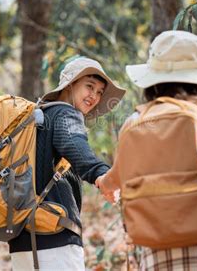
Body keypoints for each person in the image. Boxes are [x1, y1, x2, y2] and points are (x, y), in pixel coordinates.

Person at [96, 30, 197, 270]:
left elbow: (116, 179)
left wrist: (103, 182)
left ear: (152, 79)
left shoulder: (134, 123)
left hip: (160, 253)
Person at [9, 56, 126, 270]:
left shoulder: (38, 117)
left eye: (100, 92)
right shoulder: (65, 113)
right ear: (71, 84)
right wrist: (101, 175)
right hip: (55, 235)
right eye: (89, 86)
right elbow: (75, 145)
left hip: (21, 239)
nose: (95, 96)